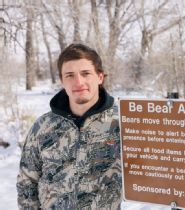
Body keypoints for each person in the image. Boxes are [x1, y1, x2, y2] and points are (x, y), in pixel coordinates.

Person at [17, 43, 122, 209]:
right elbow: (27, 183)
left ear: (100, 77)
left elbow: (154, 173)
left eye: (86, 73)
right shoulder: (43, 126)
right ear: (62, 81)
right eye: (70, 75)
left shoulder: (122, 123)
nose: (78, 82)